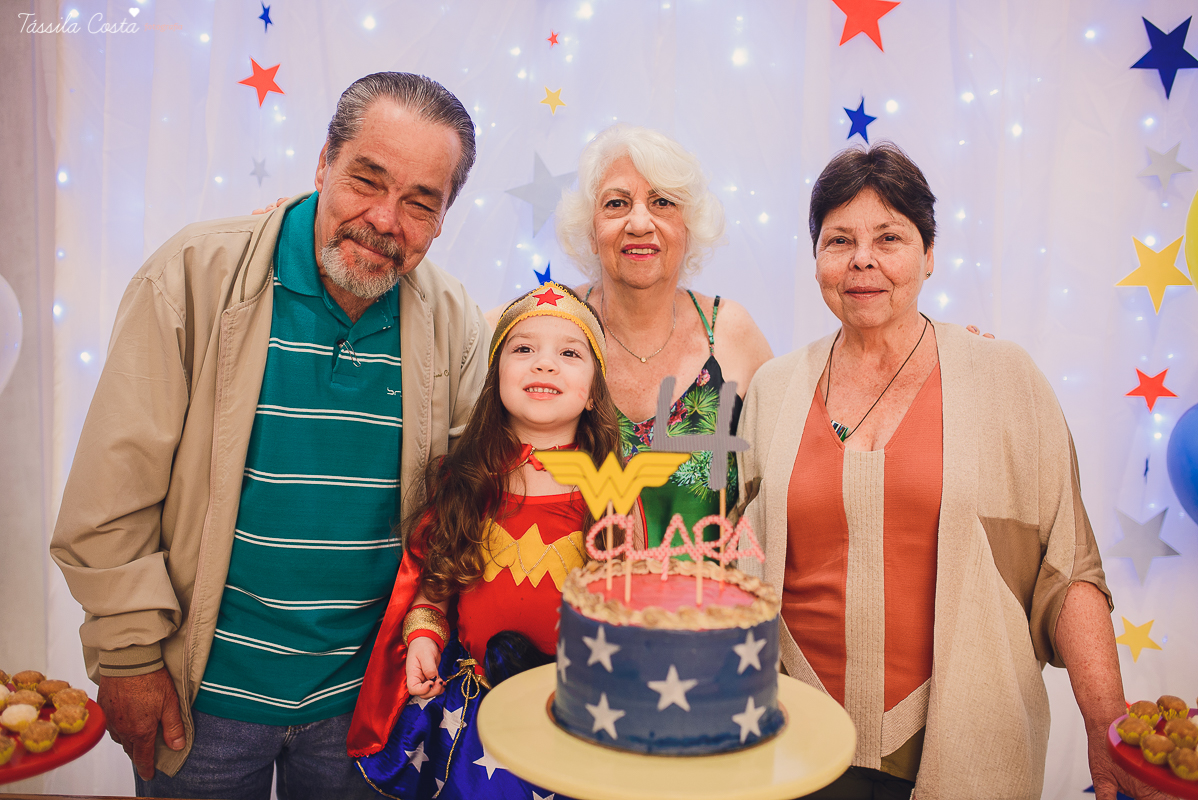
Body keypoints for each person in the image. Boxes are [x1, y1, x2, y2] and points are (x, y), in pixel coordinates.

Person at [49, 72, 488, 799]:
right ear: (323, 162)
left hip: (365, 711)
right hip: (202, 704)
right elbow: (111, 495)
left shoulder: (454, 320)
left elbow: (476, 497)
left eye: (420, 202)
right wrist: (127, 657)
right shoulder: (194, 274)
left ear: (445, 217)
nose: (384, 219)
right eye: (367, 180)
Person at [737, 142, 1162, 800]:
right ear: (816, 257)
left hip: (968, 752)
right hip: (790, 748)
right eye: (838, 240)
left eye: (890, 237)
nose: (863, 261)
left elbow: (1069, 568)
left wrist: (1107, 729)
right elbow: (733, 566)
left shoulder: (1005, 380)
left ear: (929, 254)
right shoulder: (771, 389)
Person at [348, 283, 621, 799]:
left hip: (577, 720)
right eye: (523, 349)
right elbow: (433, 586)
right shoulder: (466, 480)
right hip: (476, 716)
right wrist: (424, 640)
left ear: (595, 389)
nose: (544, 365)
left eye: (568, 352)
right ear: (496, 378)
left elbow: (635, 613)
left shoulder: (614, 496)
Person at [492, 125, 773, 546]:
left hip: (708, 606)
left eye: (663, 202)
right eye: (617, 203)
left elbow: (775, 490)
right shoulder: (545, 321)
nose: (640, 222)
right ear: (590, 230)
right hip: (565, 605)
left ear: (690, 225)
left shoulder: (732, 334)